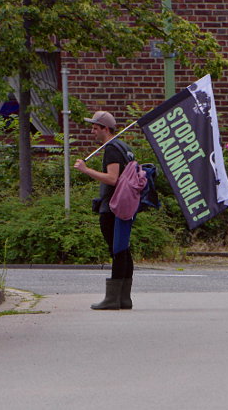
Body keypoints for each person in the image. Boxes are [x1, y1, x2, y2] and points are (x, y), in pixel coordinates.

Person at [74, 110, 135, 310]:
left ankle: (112, 299)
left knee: (117, 250)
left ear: (105, 129)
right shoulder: (124, 147)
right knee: (123, 249)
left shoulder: (112, 149)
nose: (92, 131)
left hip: (112, 207)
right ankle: (124, 298)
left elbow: (112, 178)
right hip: (125, 206)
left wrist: (86, 170)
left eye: (95, 128)